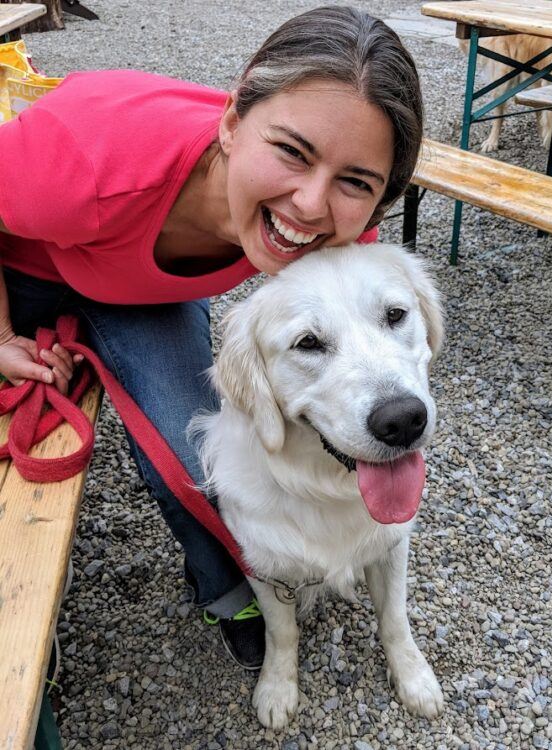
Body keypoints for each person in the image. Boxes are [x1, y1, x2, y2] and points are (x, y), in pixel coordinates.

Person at [0, 6, 423, 669]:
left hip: (137, 292)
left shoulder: (341, 238)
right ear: (231, 121)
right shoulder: (85, 158)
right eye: (291, 150)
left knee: (189, 446)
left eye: (353, 182)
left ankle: (226, 583)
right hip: (25, 265)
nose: (310, 206)